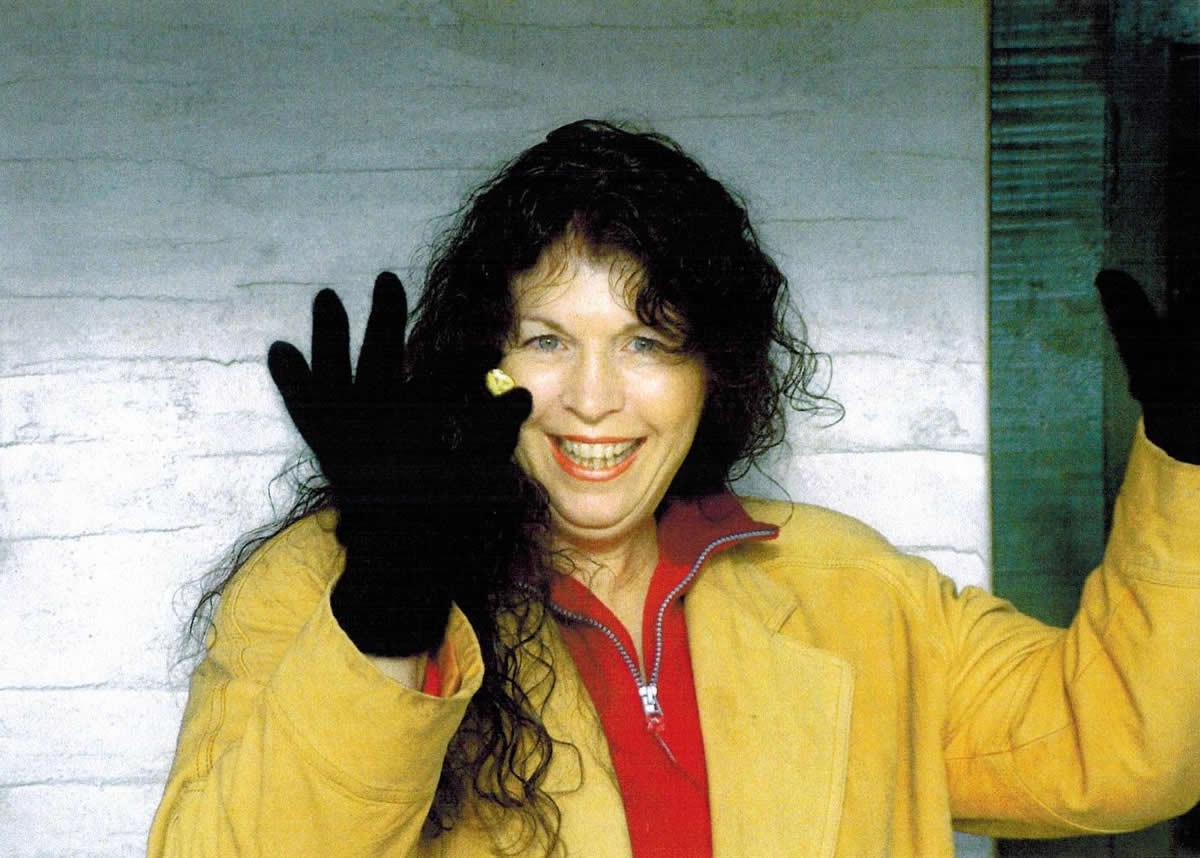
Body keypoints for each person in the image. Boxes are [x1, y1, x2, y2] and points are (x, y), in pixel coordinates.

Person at [148, 120, 1200, 857]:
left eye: (648, 341)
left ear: (715, 371)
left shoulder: (850, 590)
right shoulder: (320, 588)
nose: (594, 400)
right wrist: (385, 621)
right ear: (487, 359)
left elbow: (1120, 749)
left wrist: (1191, 466)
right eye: (549, 339)